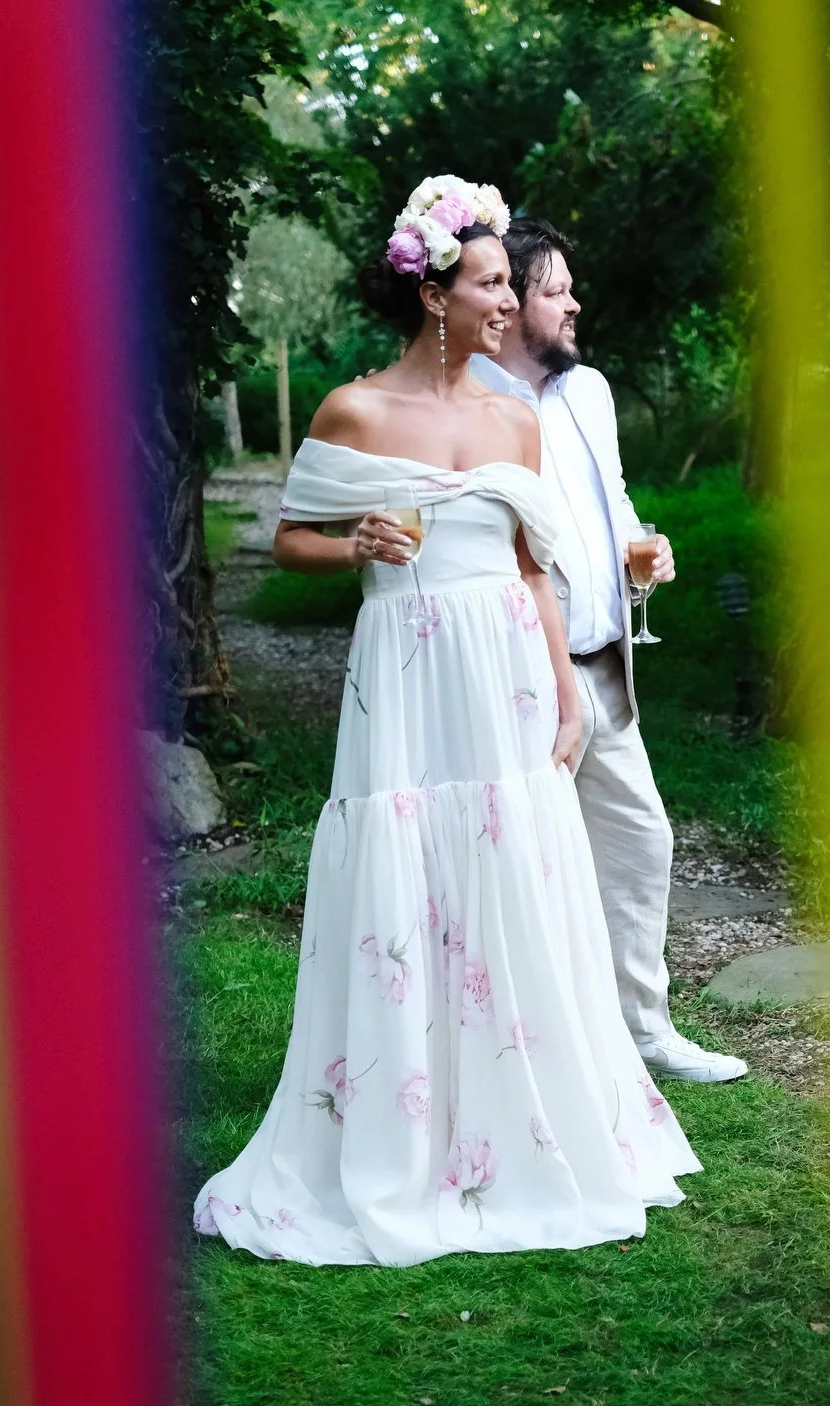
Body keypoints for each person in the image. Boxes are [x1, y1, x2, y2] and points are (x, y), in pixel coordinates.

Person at [192, 176, 700, 1266]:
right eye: (491, 285)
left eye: (512, 288)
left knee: (515, 868)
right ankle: (401, 1112)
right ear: (436, 295)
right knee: (408, 866)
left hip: (508, 665)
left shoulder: (517, 420)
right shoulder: (355, 412)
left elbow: (537, 565)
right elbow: (290, 540)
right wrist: (356, 546)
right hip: (408, 664)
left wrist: (568, 695)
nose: (509, 304)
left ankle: (520, 1104)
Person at [472, 217, 748, 1085]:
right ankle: (519, 1049)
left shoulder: (587, 390)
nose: (573, 303)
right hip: (521, 682)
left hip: (603, 665)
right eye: (555, 291)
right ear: (510, 304)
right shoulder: (469, 404)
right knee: (518, 863)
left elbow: (614, 502)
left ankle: (643, 1034)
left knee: (642, 841)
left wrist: (644, 551)